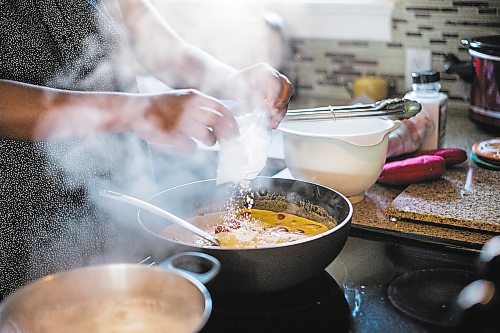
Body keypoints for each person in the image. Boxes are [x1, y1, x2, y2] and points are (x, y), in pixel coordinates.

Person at [0, 0, 293, 299]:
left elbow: (159, 46)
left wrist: (235, 82)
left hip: (118, 193)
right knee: (38, 311)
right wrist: (136, 110)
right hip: (21, 209)